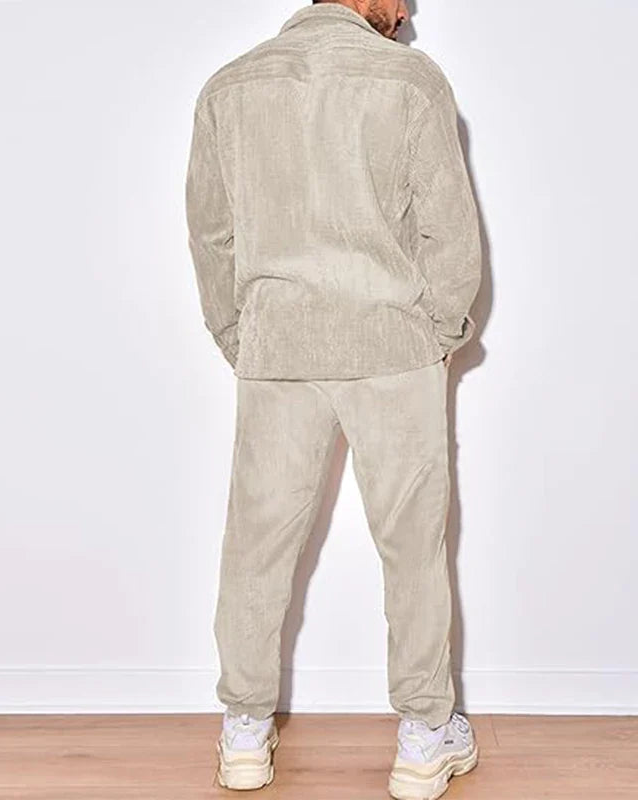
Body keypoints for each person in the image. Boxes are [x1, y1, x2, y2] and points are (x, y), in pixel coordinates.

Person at [185, 1, 482, 797]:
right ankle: (423, 738)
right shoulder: (410, 81)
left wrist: (241, 335)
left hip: (281, 344)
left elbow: (211, 236)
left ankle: (245, 731)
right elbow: (451, 234)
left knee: (256, 544)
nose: (407, 11)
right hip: (391, 346)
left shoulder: (230, 87)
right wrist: (437, 333)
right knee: (413, 545)